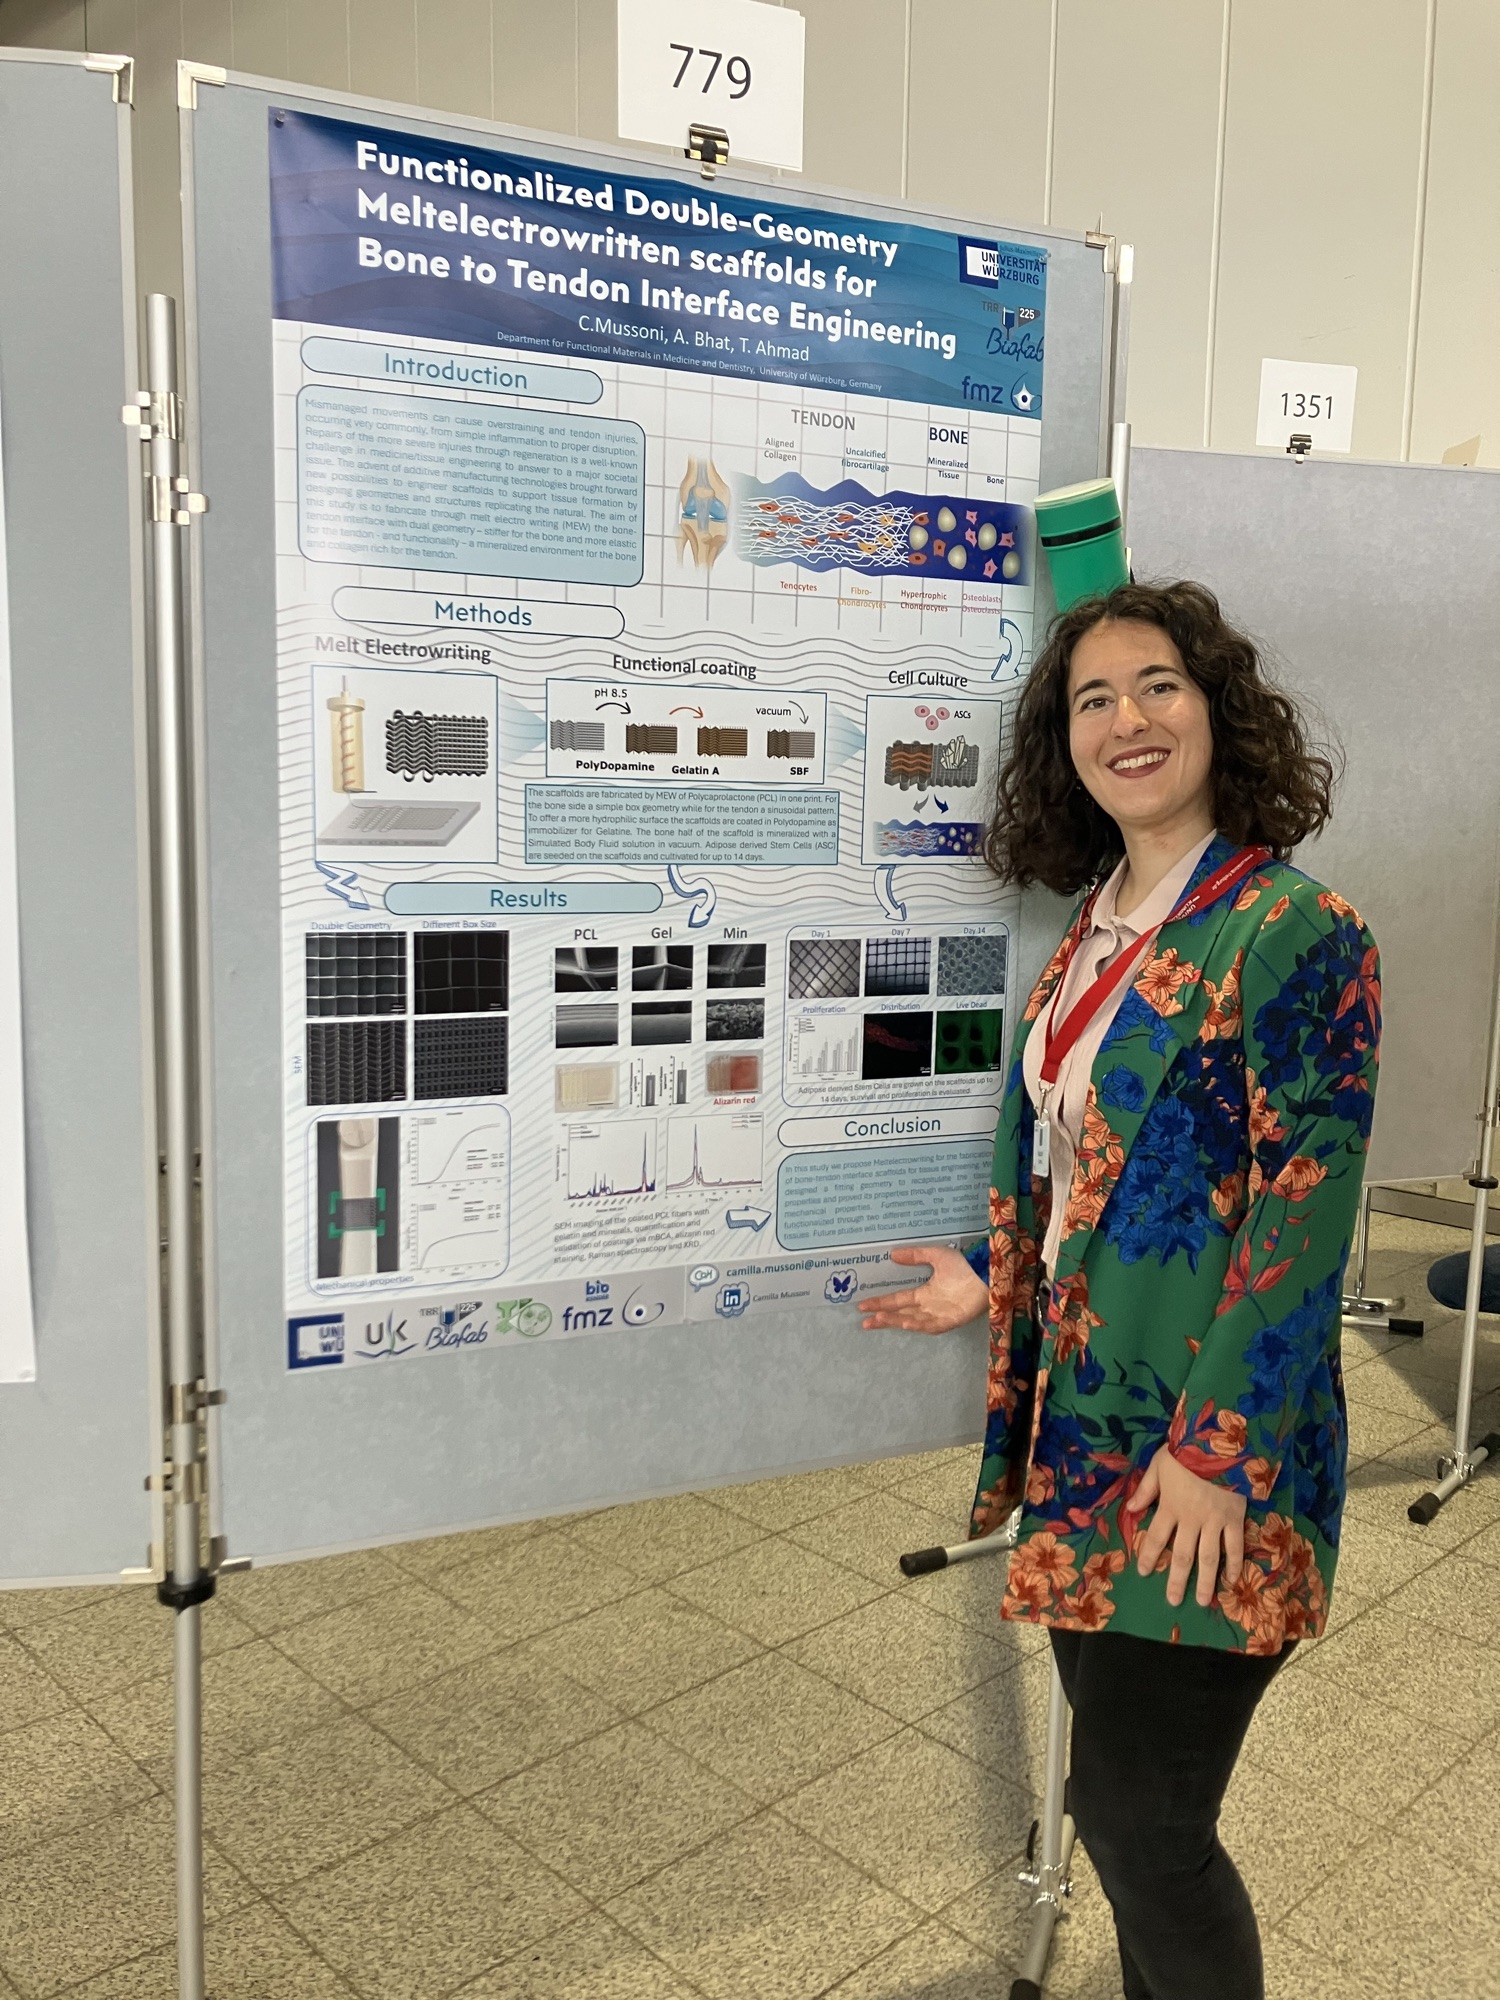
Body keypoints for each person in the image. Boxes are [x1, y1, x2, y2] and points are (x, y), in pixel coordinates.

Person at [860, 580, 1379, 2000]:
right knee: (1117, 1804)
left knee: (1146, 1826)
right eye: (1094, 699)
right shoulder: (1096, 925)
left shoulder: (1291, 928)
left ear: (1218, 711)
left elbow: (1304, 1216)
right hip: (1084, 1436)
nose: (1127, 720)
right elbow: (1094, 1169)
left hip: (1206, 1451)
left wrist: (1216, 1451)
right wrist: (995, 1275)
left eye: (1159, 685)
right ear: (1065, 744)